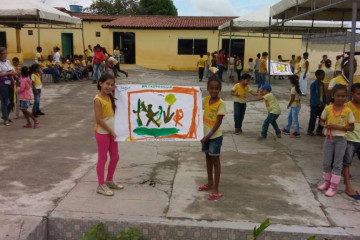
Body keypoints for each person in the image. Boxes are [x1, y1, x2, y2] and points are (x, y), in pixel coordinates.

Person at [318, 84, 354, 197]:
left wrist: (339, 127)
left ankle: (333, 187)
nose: (341, 98)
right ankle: (327, 182)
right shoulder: (328, 108)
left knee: (337, 163)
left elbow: (351, 127)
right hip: (329, 138)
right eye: (338, 96)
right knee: (327, 162)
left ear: (346, 97)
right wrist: (325, 125)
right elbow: (321, 121)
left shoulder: (348, 111)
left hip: (341, 140)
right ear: (333, 96)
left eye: (343, 96)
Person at [94, 73, 123, 196]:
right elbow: (99, 120)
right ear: (100, 83)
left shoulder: (110, 96)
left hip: (112, 132)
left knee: (115, 157)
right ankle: (101, 185)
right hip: (102, 132)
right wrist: (111, 131)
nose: (109, 86)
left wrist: (118, 90)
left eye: (112, 84)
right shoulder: (98, 100)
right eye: (107, 84)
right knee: (103, 158)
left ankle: (109, 180)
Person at [198, 76, 225, 201]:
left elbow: (218, 122)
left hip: (214, 137)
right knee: (208, 160)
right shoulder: (206, 100)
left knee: (216, 162)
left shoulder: (221, 104)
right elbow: (193, 102)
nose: (213, 90)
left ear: (219, 89)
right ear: (207, 89)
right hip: (205, 137)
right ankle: (209, 183)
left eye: (216, 88)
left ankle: (216, 188)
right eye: (211, 88)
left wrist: (208, 137)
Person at [343, 83, 360, 200]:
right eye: (359, 94)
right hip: (350, 139)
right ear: (352, 94)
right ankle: (348, 186)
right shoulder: (347, 107)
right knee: (347, 162)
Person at [0, 47, 17, 126]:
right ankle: (6, 119)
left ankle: (5, 115)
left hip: (10, 82)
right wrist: (8, 73)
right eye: (3, 54)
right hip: (3, 84)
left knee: (12, 101)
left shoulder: (8, 61)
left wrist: (12, 72)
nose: (5, 55)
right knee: (4, 101)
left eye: (6, 53)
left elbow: (12, 70)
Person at [308, 69, 326, 136]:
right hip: (314, 104)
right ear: (317, 76)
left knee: (322, 118)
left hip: (321, 104)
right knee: (313, 118)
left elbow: (323, 94)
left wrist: (324, 102)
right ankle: (310, 130)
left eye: (324, 75)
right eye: (322, 75)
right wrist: (317, 102)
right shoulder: (314, 84)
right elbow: (313, 95)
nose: (323, 77)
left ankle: (319, 130)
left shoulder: (322, 84)